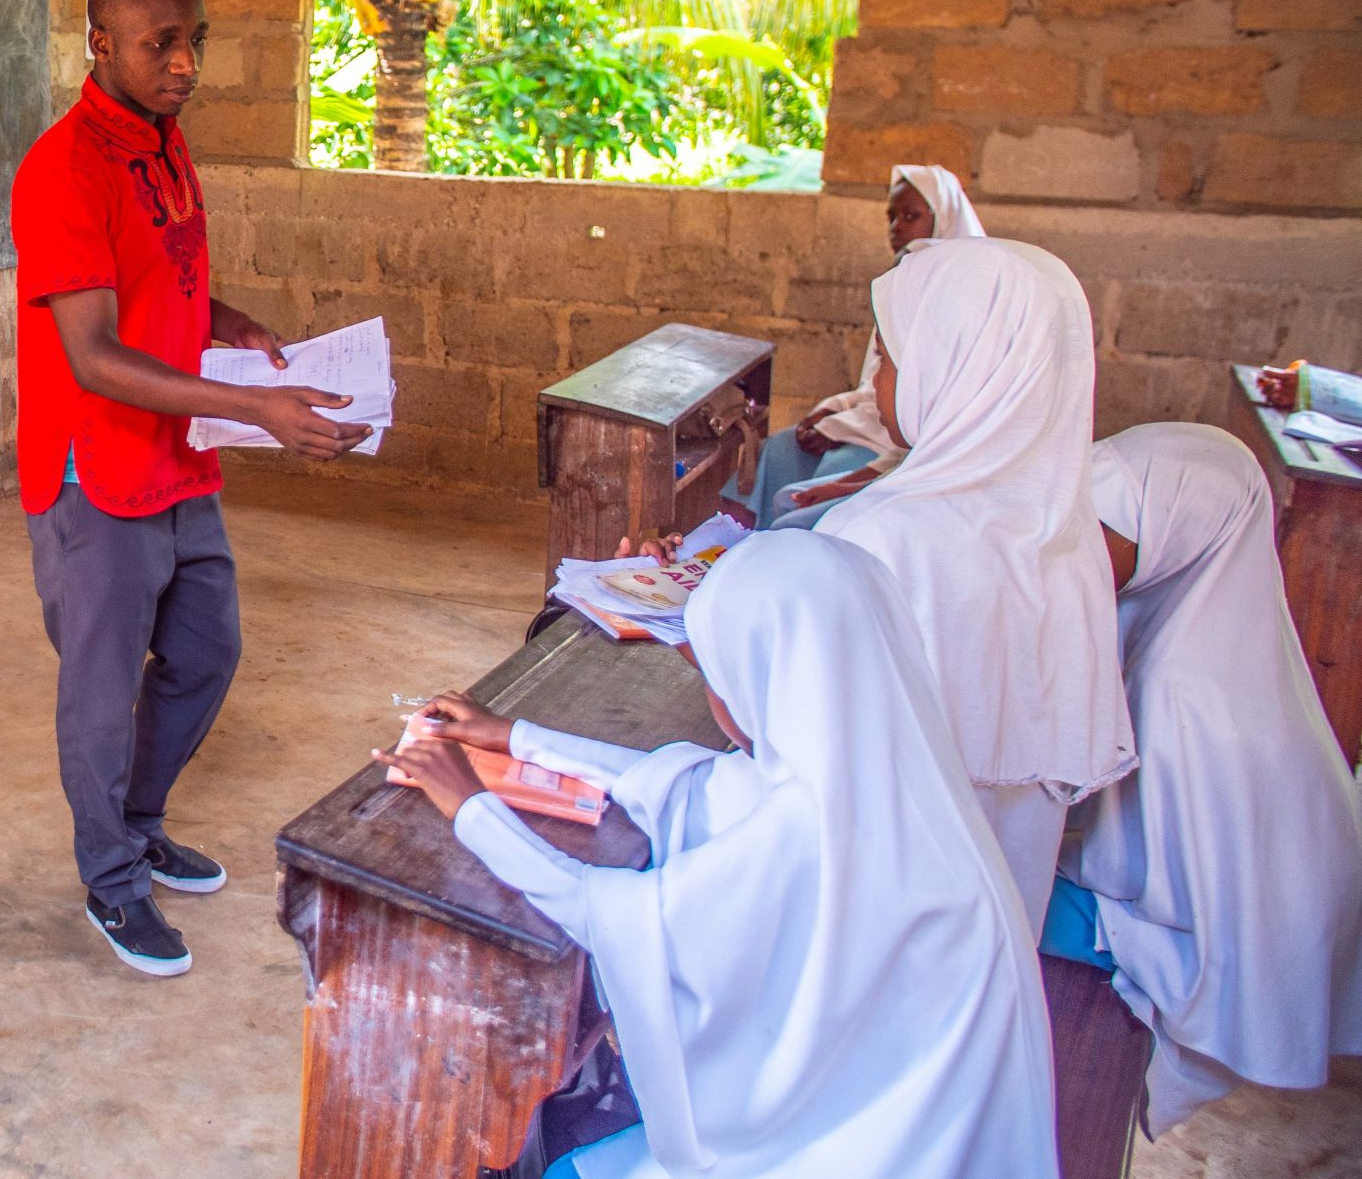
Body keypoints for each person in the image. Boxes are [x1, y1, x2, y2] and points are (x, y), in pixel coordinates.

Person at [381, 531, 1057, 1179]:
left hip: (870, 1147)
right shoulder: (891, 769)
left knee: (570, 1166)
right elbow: (692, 785)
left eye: (713, 667)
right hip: (920, 1120)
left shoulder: (805, 822)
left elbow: (610, 914)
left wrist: (471, 807)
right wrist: (516, 737)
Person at [15, 0, 372, 976]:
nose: (183, 63)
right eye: (158, 43)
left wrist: (228, 323)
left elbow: (152, 295)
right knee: (97, 688)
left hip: (179, 456)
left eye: (193, 41)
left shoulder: (163, 149)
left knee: (206, 651)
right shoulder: (64, 168)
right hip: (98, 471)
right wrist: (254, 406)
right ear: (101, 45)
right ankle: (111, 879)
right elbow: (92, 353)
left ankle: (137, 820)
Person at [1046, 423, 1362, 1136]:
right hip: (1244, 916)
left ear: (1175, 534)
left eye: (1102, 531)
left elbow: (1129, 869)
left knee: (986, 898)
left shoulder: (1182, 689)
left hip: (1209, 946)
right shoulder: (1220, 632)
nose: (1080, 550)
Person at [814, 237, 1131, 929]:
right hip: (1001, 952)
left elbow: (797, 741)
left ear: (955, 369)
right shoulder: (1068, 538)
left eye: (890, 361)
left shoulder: (879, 536)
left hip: (882, 930)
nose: (874, 387)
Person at [731, 164, 984, 529]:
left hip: (893, 435)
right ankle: (740, 545)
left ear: (944, 217)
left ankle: (777, 553)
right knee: (780, 451)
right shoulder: (903, 282)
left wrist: (839, 427)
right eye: (891, 218)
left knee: (830, 474)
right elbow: (875, 382)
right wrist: (831, 411)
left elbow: (916, 403)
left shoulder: (957, 297)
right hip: (873, 421)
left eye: (910, 217)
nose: (896, 228)